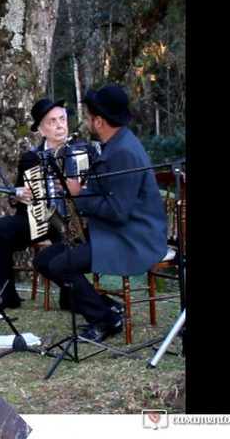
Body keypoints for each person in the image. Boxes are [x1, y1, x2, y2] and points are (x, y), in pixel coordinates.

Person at [32, 84, 167, 342]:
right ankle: (107, 308)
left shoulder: (124, 152)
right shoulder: (115, 144)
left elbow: (117, 212)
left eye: (89, 116)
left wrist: (78, 194)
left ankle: (105, 319)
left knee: (62, 265)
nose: (86, 121)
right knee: (43, 260)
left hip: (134, 238)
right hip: (113, 233)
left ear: (100, 121)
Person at [0, 98, 82, 309]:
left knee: (72, 235)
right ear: (41, 129)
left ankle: (72, 294)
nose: (60, 126)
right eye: (52, 122)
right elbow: (18, 192)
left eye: (62, 119)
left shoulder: (81, 154)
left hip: (70, 220)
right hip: (37, 217)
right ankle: (7, 293)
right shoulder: (31, 158)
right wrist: (18, 195)